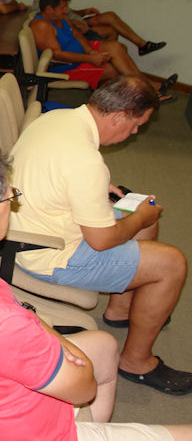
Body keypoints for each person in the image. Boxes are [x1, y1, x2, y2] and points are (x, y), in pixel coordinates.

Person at [0, 139, 192, 440]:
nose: (12, 205)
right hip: (35, 430)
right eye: (9, 197)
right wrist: (59, 345)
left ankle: (90, 428)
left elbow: (9, 315)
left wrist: (45, 338)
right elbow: (85, 389)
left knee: (106, 346)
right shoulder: (2, 326)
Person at [10, 75, 192, 396]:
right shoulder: (86, 161)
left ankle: (120, 310)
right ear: (119, 116)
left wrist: (100, 192)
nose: (134, 132)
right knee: (172, 263)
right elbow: (102, 241)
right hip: (49, 252)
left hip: (28, 226)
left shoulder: (56, 117)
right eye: (136, 125)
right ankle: (136, 362)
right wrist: (139, 217)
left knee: (143, 219)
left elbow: (56, 169)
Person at [31, 0, 176, 99]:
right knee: (116, 69)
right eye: (63, 8)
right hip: (67, 68)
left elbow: (77, 35)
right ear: (49, 9)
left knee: (116, 47)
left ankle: (147, 87)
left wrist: (90, 51)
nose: (66, 11)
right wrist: (90, 59)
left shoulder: (60, 18)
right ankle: (148, 91)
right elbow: (57, 55)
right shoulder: (41, 25)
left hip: (80, 55)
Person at [48, 0, 165, 55]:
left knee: (111, 19)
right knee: (111, 25)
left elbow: (68, 12)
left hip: (78, 21)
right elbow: (53, 17)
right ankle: (118, 54)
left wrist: (83, 11)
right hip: (73, 25)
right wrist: (73, 22)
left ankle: (139, 46)